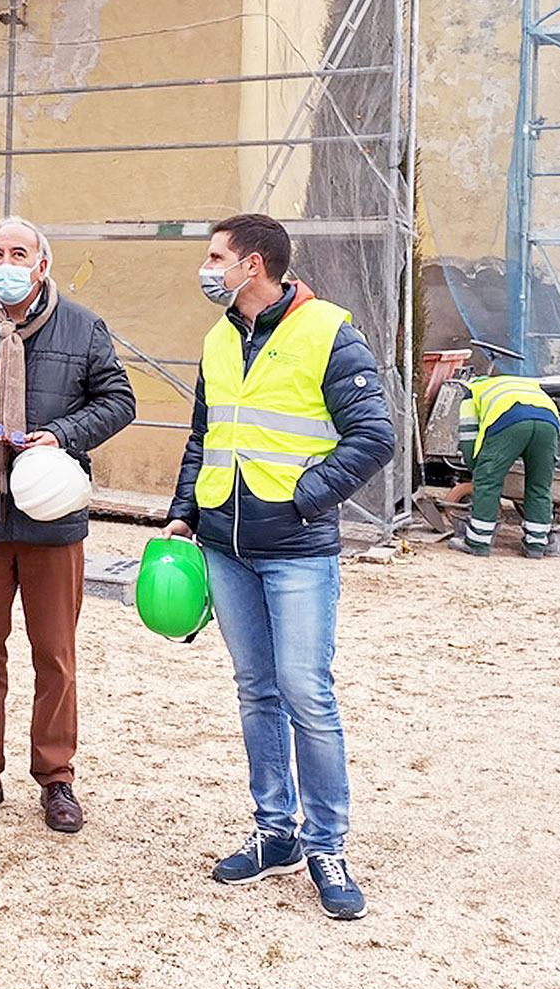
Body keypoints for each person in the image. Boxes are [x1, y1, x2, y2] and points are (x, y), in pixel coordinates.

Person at [163, 213, 394, 921]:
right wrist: (183, 510)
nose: (206, 269)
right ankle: (275, 832)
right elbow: (206, 433)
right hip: (223, 546)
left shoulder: (329, 330)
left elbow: (375, 434)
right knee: (255, 690)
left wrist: (306, 499)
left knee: (306, 694)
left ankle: (327, 844)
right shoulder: (219, 334)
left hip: (294, 547)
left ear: (253, 264)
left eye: (215, 257)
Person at [0, 217, 135, 834]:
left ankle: (57, 777)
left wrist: (63, 435)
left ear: (43, 265)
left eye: (20, 253)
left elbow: (119, 399)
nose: (6, 262)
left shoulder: (83, 326)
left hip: (52, 512)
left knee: (55, 652)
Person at [453, 374, 560, 558]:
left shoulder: (472, 393)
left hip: (511, 420)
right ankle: (536, 544)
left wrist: (477, 470)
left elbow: (468, 438)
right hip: (549, 423)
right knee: (540, 484)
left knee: (488, 482)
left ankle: (478, 542)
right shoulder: (521, 383)